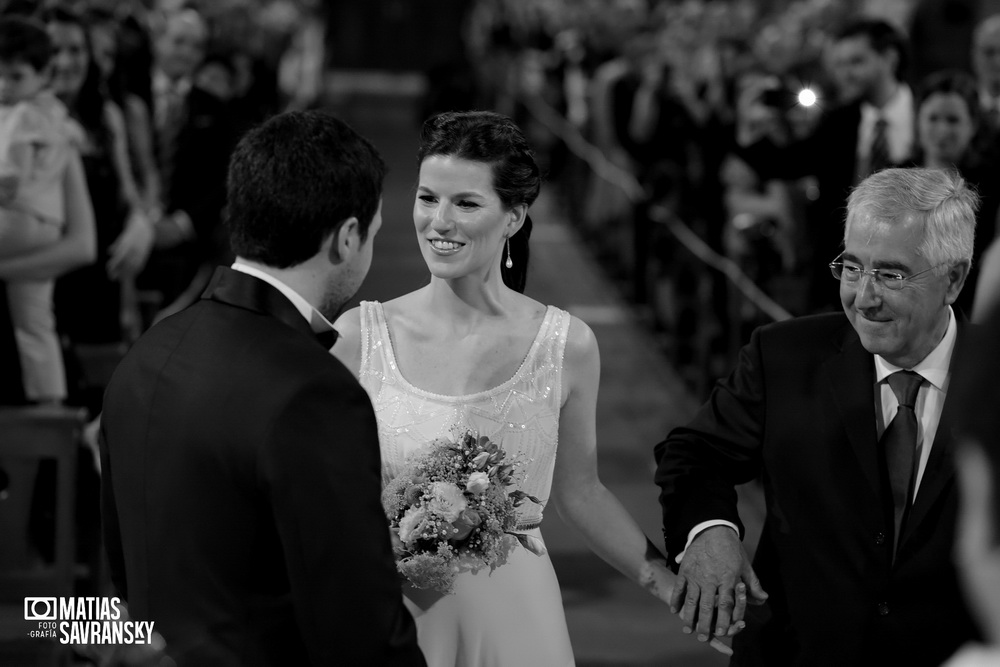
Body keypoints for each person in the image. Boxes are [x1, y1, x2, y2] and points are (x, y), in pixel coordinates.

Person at [332, 110, 742, 667]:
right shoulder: (358, 336)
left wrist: (673, 589)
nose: (439, 222)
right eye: (428, 198)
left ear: (514, 218)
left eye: (466, 203)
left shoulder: (566, 345)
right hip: (392, 617)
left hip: (518, 621)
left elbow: (581, 493)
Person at [99, 110, 425, 666]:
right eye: (371, 233)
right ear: (347, 238)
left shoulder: (147, 353)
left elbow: (118, 578)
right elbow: (356, 625)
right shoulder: (314, 392)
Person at [654, 167, 981, 666]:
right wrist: (710, 530)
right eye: (853, 268)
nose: (864, 298)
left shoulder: (993, 379)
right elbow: (694, 453)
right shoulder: (782, 355)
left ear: (953, 279)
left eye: (891, 275)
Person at [737, 18, 914, 312]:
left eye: (856, 61)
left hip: (912, 274)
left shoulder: (930, 114)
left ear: (890, 59)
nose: (845, 73)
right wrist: (748, 130)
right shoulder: (837, 121)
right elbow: (787, 163)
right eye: (840, 64)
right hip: (844, 279)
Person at [0, 15, 95, 403]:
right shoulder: (57, 117)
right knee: (36, 323)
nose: (4, 86)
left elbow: (83, 246)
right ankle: (50, 400)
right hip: (41, 232)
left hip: (18, 218)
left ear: (42, 75)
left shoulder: (21, 115)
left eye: (14, 76)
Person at [910, 69, 1000, 317]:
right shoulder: (896, 174)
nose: (941, 129)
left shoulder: (991, 184)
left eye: (952, 120)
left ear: (972, 125)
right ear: (918, 120)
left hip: (970, 305)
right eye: (933, 118)